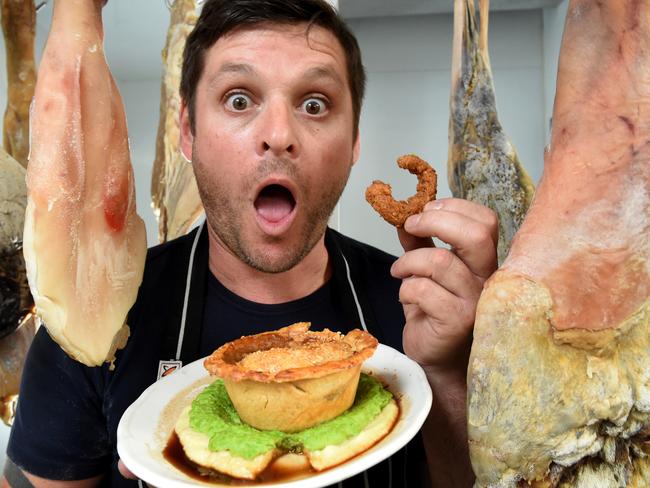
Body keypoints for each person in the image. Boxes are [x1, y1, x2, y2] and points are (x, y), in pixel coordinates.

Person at [3, 0, 498, 486]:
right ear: (188, 131)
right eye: (239, 99)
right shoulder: (96, 324)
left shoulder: (420, 312)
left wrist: (447, 371)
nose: (279, 134)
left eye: (314, 104)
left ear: (354, 142)